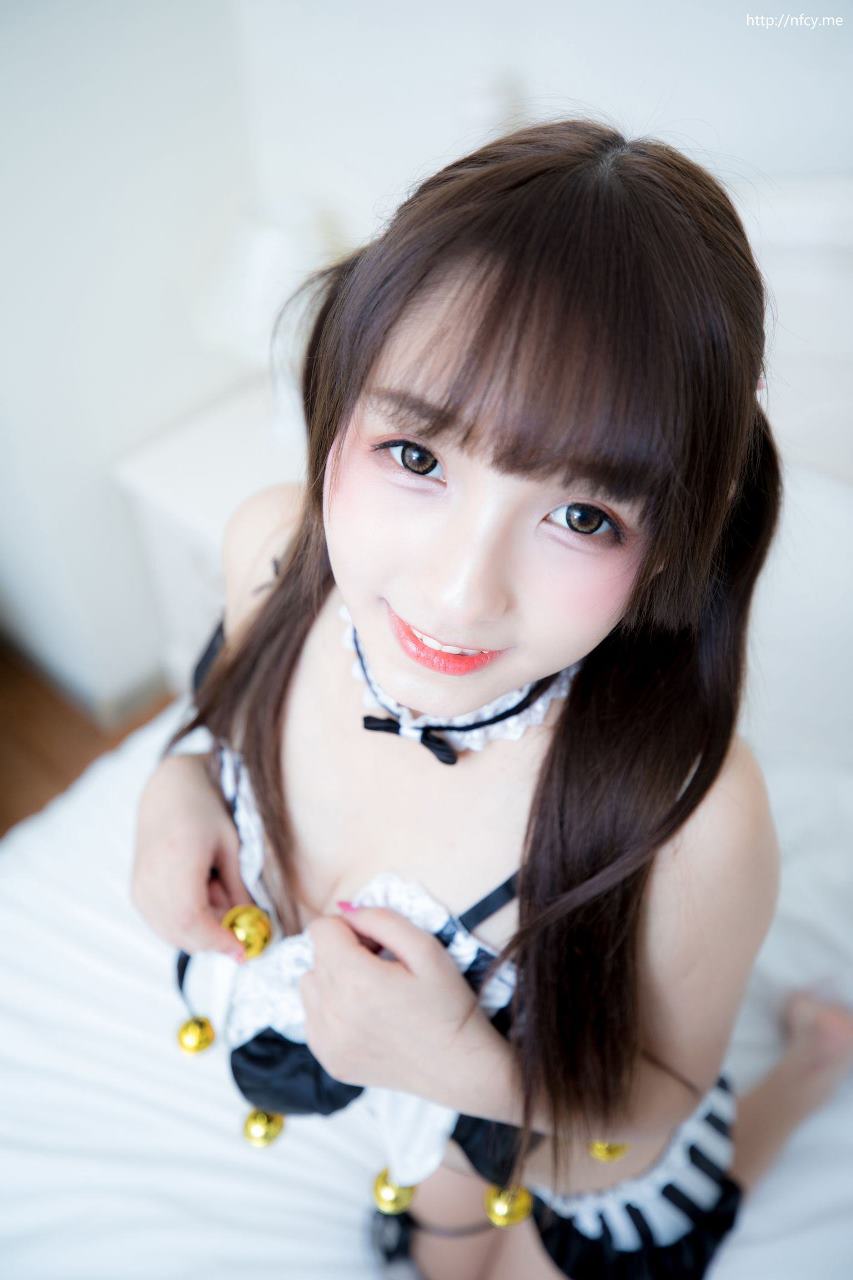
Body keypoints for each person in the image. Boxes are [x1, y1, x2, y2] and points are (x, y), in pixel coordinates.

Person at [131, 118, 853, 1280]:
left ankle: (809, 1067)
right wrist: (175, 784)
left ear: (677, 533)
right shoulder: (273, 551)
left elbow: (654, 1103)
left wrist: (466, 1066)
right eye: (417, 455)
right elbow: (222, 702)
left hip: (565, 1135)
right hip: (430, 1122)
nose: (458, 593)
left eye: (580, 515)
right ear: (336, 389)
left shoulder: (691, 812)